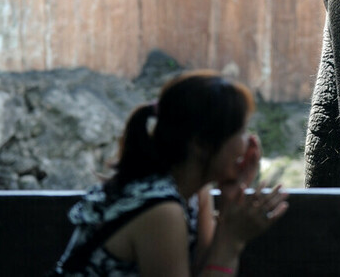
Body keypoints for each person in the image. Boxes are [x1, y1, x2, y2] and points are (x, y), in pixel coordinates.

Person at [52, 70, 288, 276]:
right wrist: (232, 241)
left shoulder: (195, 193)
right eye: (241, 131)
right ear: (202, 144)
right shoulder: (160, 209)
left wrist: (229, 203)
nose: (249, 143)